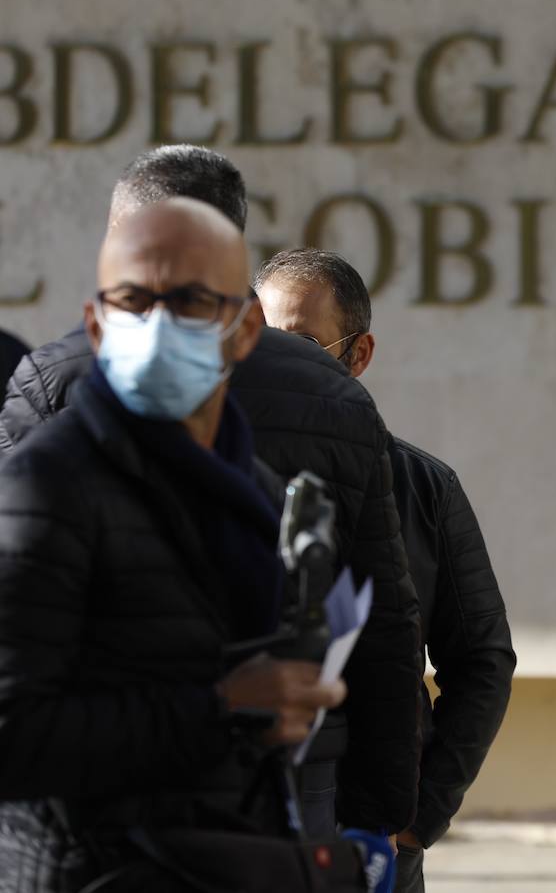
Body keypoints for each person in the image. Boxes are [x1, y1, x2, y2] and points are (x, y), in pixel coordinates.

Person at [0, 145, 423, 843]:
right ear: (98, 319)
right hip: (95, 854)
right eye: (136, 300)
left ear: (244, 326)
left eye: (193, 301)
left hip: (261, 838)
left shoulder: (253, 493)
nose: (162, 327)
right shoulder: (42, 482)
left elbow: (380, 619)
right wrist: (223, 711)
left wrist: (373, 831)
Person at [255, 247, 516, 890]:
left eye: (306, 343)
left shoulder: (422, 486)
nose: (280, 363)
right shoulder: (209, 469)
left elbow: (481, 658)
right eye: (262, 341)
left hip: (369, 842)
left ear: (359, 354)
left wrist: (413, 819)